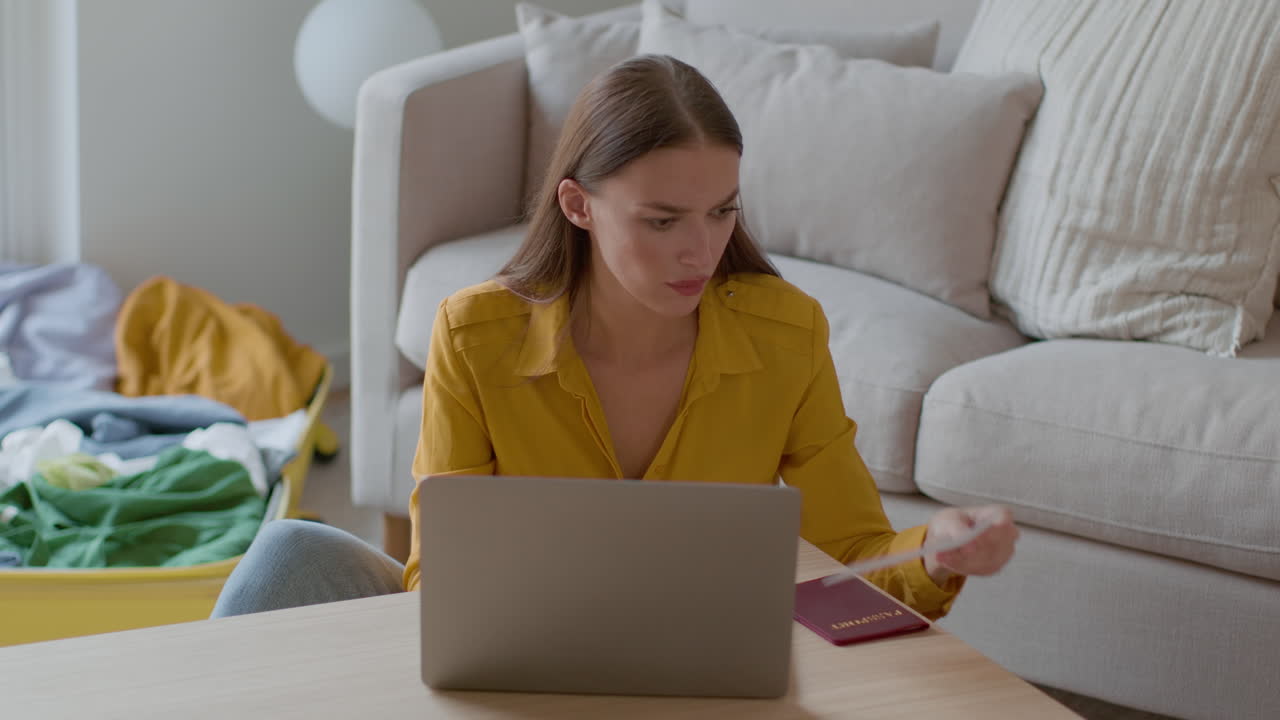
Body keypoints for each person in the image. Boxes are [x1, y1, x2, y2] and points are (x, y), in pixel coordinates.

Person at [212, 55, 1017, 621]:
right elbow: (441, 580)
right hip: (519, 654)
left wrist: (934, 553)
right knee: (290, 555)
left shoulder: (786, 336)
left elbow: (856, 557)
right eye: (662, 221)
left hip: (696, 665)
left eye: (722, 212)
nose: (701, 251)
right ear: (578, 206)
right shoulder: (475, 337)